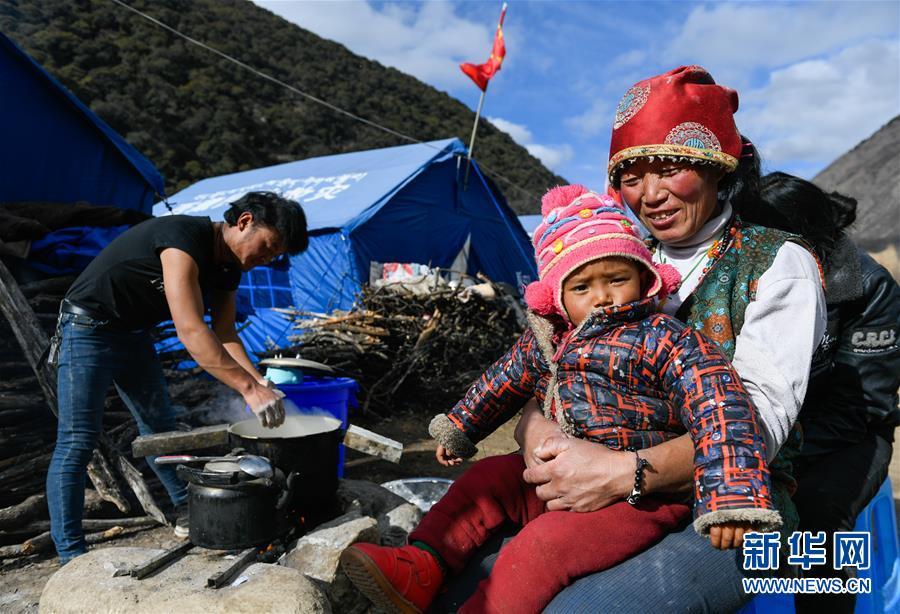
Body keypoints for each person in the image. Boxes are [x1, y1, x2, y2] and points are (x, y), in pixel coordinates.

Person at [433, 65, 828, 612]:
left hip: (729, 508)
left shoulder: (777, 263)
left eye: (671, 170)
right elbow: (545, 364)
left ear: (718, 167)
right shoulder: (609, 252)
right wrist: (540, 434)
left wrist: (620, 474)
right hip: (589, 480)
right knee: (468, 580)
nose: (651, 194)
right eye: (633, 176)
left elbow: (757, 424)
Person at [339, 185, 781, 614]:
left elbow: (720, 407)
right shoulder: (550, 339)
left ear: (644, 280)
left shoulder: (664, 339)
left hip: (636, 499)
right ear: (558, 297)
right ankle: (422, 565)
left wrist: (732, 497)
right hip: (557, 472)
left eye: (617, 278)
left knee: (541, 549)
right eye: (582, 287)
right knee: (485, 481)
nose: (602, 296)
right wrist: (461, 426)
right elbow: (503, 380)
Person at [46, 191, 308, 564]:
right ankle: (70, 555)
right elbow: (190, 329)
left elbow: (226, 333)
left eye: (274, 256)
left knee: (161, 430)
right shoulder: (182, 238)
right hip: (88, 326)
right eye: (268, 247)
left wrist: (260, 382)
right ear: (245, 221)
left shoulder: (228, 267)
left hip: (133, 335)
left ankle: (188, 512)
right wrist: (246, 388)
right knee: (78, 441)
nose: (266, 259)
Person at [751, 172, 900, 613]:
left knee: (819, 519)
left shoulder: (868, 289)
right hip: (766, 432)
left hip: (849, 435)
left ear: (805, 237)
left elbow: (864, 404)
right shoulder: (747, 276)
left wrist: (772, 451)